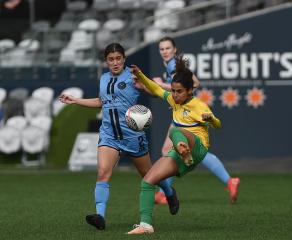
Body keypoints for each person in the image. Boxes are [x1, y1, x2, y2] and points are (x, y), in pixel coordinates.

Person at [59, 43, 176, 231]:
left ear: (124, 59)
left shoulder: (133, 75)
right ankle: (100, 216)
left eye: (118, 59)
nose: (115, 63)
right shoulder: (104, 78)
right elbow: (101, 101)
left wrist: (145, 85)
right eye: (111, 59)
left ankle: (169, 193)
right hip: (109, 135)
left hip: (132, 136)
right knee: (103, 172)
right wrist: (76, 100)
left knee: (150, 176)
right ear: (106, 61)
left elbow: (156, 93)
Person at [127, 56, 222, 234]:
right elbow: (155, 88)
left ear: (189, 91)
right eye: (173, 91)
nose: (175, 94)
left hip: (198, 147)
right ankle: (146, 225)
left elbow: (218, 125)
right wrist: (140, 74)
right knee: (148, 181)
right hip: (180, 149)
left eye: (179, 91)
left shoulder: (199, 106)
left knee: (173, 132)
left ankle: (182, 149)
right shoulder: (173, 100)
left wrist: (212, 119)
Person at [153, 36, 240, 205]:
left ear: (175, 49)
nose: (165, 51)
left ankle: (164, 193)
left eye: (167, 48)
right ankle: (229, 181)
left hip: (188, 113)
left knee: (171, 150)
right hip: (187, 111)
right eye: (162, 49)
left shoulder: (172, 65)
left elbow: (193, 84)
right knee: (184, 150)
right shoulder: (174, 64)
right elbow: (193, 83)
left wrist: (160, 84)